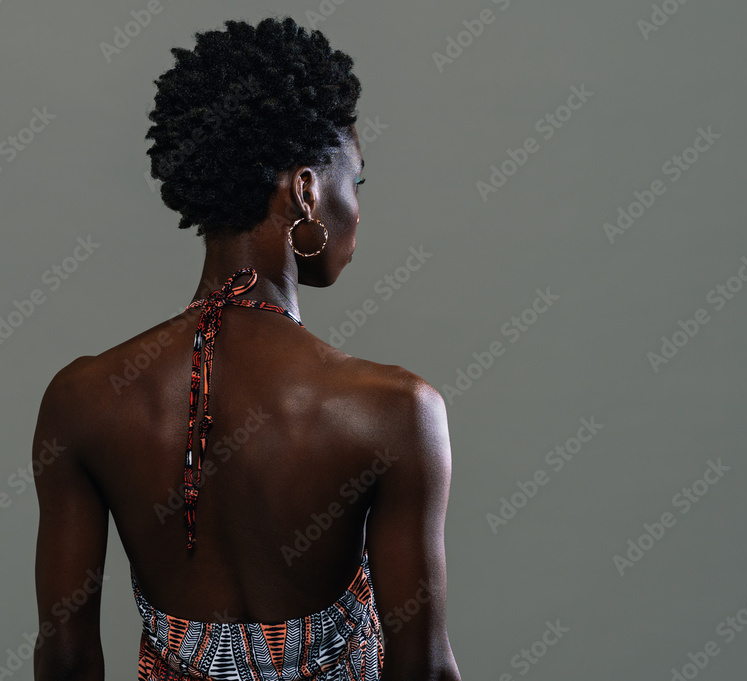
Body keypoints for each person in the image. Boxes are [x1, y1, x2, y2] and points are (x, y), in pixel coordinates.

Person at [32, 16, 461, 681]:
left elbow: (64, 659)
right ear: (306, 191)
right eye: (357, 181)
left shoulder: (81, 400)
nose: (359, 208)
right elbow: (426, 672)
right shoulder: (396, 411)